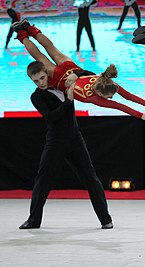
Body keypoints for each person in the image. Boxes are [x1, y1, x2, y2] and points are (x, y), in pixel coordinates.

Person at [19, 60, 113, 230]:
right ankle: (33, 220)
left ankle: (106, 219)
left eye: (42, 78)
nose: (40, 83)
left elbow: (91, 74)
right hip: (56, 141)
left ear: (46, 73)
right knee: (43, 180)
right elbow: (53, 117)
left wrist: (76, 74)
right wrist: (69, 100)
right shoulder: (36, 97)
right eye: (36, 81)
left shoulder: (62, 83)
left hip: (75, 138)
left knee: (91, 178)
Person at [12, 18, 145, 120]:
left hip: (71, 68)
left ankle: (28, 27)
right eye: (109, 97)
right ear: (99, 93)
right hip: (60, 77)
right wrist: (142, 115)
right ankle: (21, 34)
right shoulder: (92, 97)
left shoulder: (103, 79)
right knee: (40, 57)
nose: (111, 98)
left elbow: (126, 98)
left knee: (51, 48)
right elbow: (121, 104)